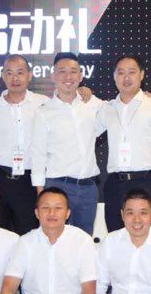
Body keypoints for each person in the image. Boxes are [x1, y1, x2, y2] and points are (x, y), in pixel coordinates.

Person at [97, 55, 151, 231]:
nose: (126, 78)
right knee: (116, 236)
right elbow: (88, 132)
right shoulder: (107, 108)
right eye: (121, 72)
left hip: (147, 181)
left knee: (149, 237)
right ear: (114, 76)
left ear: (142, 75)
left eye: (132, 72)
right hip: (116, 183)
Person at [31, 52, 104, 235]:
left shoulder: (92, 103)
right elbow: (38, 155)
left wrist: (144, 96)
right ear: (53, 76)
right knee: (55, 239)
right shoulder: (44, 112)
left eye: (73, 71)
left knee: (84, 241)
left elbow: (118, 109)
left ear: (81, 75)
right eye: (62, 71)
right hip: (58, 187)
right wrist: (41, 195)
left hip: (88, 188)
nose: (68, 77)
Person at [0, 55, 48, 234]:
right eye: (9, 73)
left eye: (20, 72)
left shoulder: (44, 103)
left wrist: (83, 91)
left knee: (29, 234)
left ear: (30, 75)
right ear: (3, 76)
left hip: (29, 181)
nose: (15, 78)